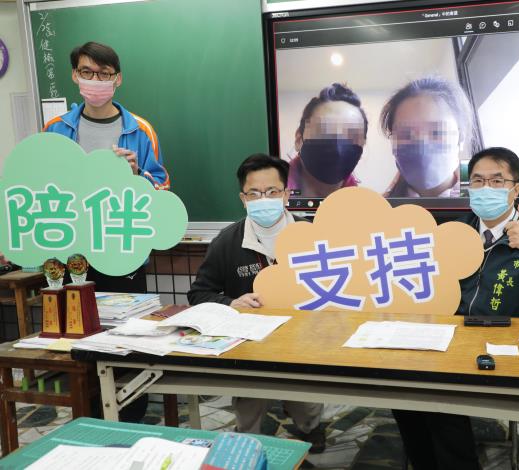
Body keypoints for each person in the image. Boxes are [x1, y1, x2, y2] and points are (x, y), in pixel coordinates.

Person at [392, 147, 519, 470]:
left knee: (440, 400)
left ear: (517, 189)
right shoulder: (451, 234)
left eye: (497, 181)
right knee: (405, 392)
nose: (486, 188)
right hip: (451, 346)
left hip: (510, 353)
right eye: (478, 180)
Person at [188, 154, 325, 452]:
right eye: (254, 193)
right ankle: (246, 438)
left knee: (307, 405)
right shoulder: (227, 242)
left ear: (286, 194)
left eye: (272, 191)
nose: (264, 199)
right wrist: (231, 303)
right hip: (249, 346)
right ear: (243, 199)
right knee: (248, 409)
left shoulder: (312, 236)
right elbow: (198, 294)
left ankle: (310, 426)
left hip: (304, 341)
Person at [43, 41, 170, 294]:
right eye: (87, 72)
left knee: (127, 319)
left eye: (104, 73)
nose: (95, 80)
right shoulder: (55, 129)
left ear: (117, 79)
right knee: (73, 319)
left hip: (122, 249)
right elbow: (39, 185)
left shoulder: (141, 131)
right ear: (75, 75)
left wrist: (136, 176)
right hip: (69, 252)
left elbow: (163, 191)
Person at [380, 76, 471, 198]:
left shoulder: (489, 205)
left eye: (436, 132)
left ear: (461, 138)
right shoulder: (378, 208)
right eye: (406, 134)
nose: (421, 144)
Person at [287, 83, 367, 198]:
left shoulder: (363, 205)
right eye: (324, 131)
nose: (338, 148)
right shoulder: (267, 200)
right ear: (299, 139)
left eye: (351, 136)